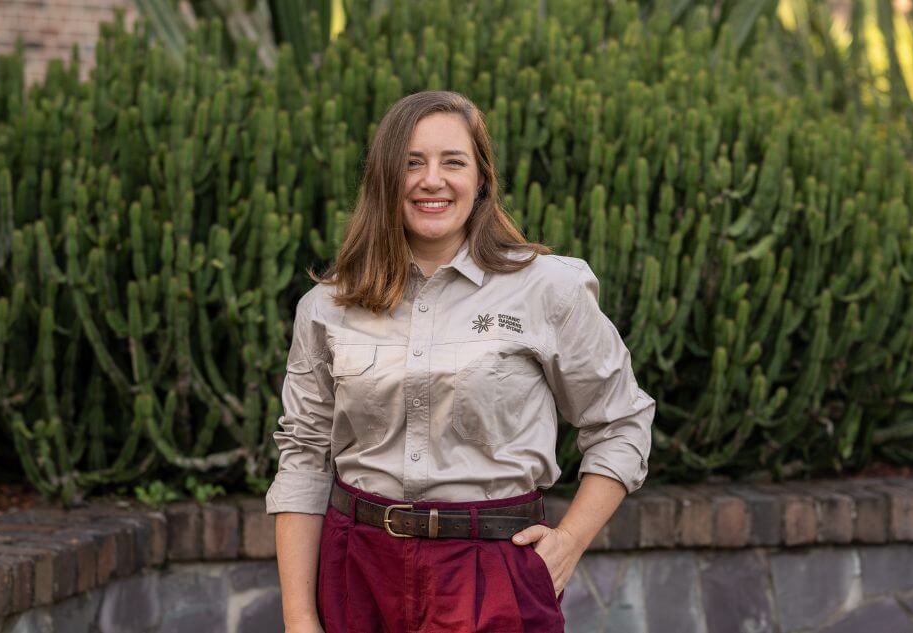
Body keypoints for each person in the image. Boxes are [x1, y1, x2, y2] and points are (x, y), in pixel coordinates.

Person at [265, 90, 656, 633]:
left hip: (494, 572)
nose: (433, 180)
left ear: (481, 179)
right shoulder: (328, 306)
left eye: (453, 162)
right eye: (411, 163)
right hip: (358, 571)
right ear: (383, 179)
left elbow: (621, 422)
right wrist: (299, 617)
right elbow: (303, 456)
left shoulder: (549, 290)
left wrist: (569, 542)